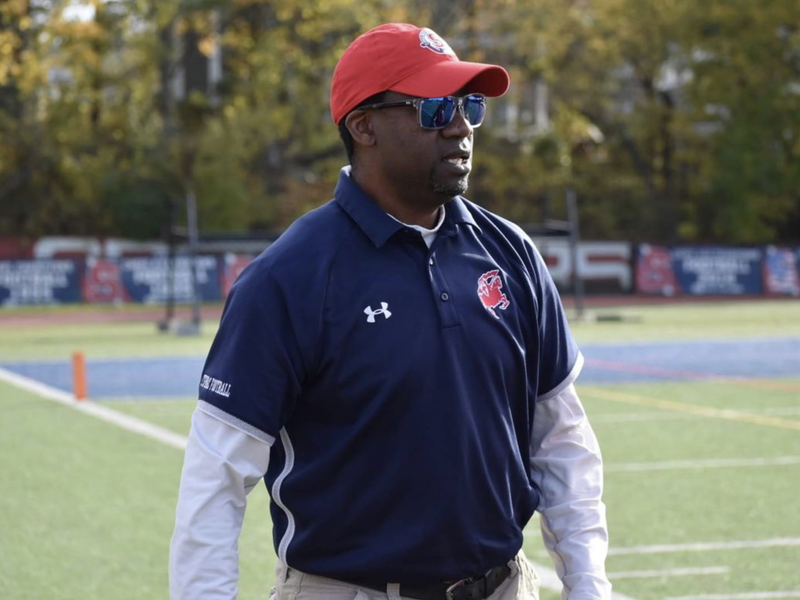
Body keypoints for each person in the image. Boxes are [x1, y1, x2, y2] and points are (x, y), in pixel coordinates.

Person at [170, 22, 611, 600]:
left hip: (506, 586)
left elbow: (562, 445)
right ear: (364, 126)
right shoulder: (289, 277)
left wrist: (588, 587)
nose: (459, 126)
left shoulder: (513, 254)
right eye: (432, 108)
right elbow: (215, 482)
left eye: (468, 104)